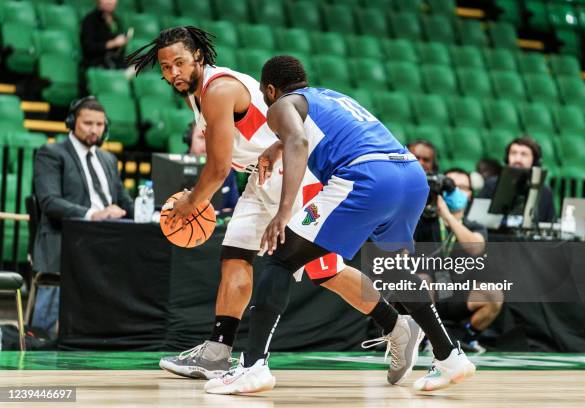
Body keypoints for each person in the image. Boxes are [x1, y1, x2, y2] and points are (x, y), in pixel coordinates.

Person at [126, 27, 421, 384]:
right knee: (235, 252)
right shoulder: (201, 92)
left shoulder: (218, 90)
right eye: (166, 66)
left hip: (297, 177)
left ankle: (397, 324)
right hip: (262, 174)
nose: (173, 72)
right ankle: (217, 352)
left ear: (199, 58)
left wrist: (191, 202)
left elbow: (218, 168)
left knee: (324, 269)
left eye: (179, 63)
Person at [204, 56, 475, 395]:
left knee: (279, 256)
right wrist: (275, 148)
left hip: (367, 177)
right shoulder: (329, 96)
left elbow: (298, 142)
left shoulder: (281, 104)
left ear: (270, 89)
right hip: (409, 175)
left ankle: (253, 366)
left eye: (264, 92)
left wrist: (283, 211)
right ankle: (449, 355)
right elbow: (308, 134)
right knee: (390, 269)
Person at [32, 96, 133, 333]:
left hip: (106, 240)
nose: (94, 130)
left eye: (99, 125)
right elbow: (49, 202)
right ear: (71, 122)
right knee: (44, 331)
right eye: (88, 123)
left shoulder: (108, 159)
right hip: (66, 238)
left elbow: (125, 202)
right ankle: (40, 339)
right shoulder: (51, 153)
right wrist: (93, 214)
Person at [418, 168, 502, 353]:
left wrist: (448, 217)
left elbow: (476, 247)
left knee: (494, 294)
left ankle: (467, 337)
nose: (456, 191)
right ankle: (425, 337)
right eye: (451, 186)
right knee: (420, 282)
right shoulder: (424, 220)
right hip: (430, 290)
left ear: (470, 194)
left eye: (462, 187)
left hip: (458, 293)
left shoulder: (474, 225)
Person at [478, 136, 556, 223]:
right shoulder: (491, 185)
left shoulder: (545, 191)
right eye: (513, 153)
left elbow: (550, 225)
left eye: (524, 154)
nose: (517, 159)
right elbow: (477, 221)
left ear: (535, 161)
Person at [183, 121, 239, 213]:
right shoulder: (169, 168)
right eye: (201, 137)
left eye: (211, 138)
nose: (206, 143)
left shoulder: (226, 170)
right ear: (189, 139)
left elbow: (233, 208)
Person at [80, 0, 129, 69]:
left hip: (116, 59)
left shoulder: (117, 20)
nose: (110, 2)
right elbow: (89, 47)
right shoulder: (90, 20)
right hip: (98, 62)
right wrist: (113, 43)